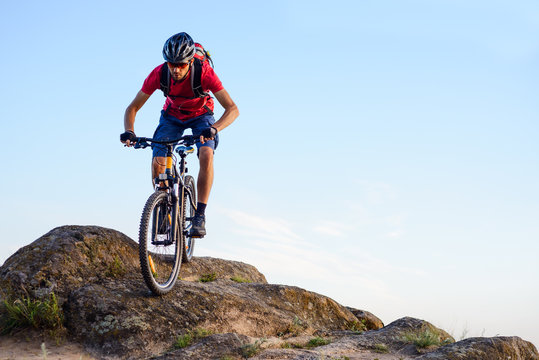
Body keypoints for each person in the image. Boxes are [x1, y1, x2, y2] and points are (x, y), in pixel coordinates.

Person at [120, 32, 239, 237]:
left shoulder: (204, 73)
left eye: (181, 65)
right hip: (172, 116)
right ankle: (163, 203)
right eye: (171, 64)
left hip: (201, 116)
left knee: (206, 155)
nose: (175, 69)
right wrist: (130, 131)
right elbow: (132, 107)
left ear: (190, 61)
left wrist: (215, 128)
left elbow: (232, 109)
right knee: (159, 161)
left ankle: (200, 214)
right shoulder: (159, 73)